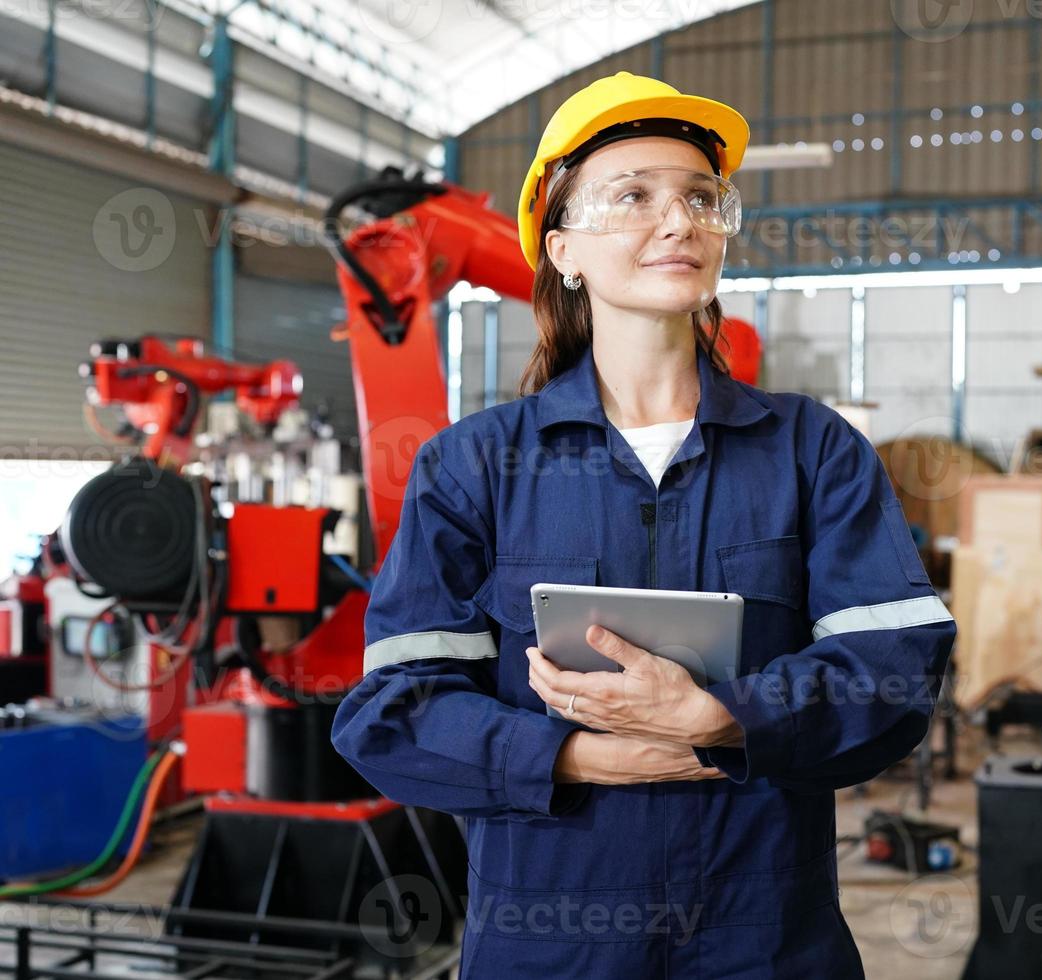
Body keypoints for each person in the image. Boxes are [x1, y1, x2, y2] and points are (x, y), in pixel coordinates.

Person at [331, 70, 957, 978]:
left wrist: (724, 714)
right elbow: (388, 713)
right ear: (563, 250)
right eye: (634, 197)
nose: (680, 221)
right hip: (551, 943)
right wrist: (574, 758)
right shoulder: (474, 465)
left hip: (767, 940)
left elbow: (897, 672)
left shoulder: (811, 450)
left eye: (701, 198)